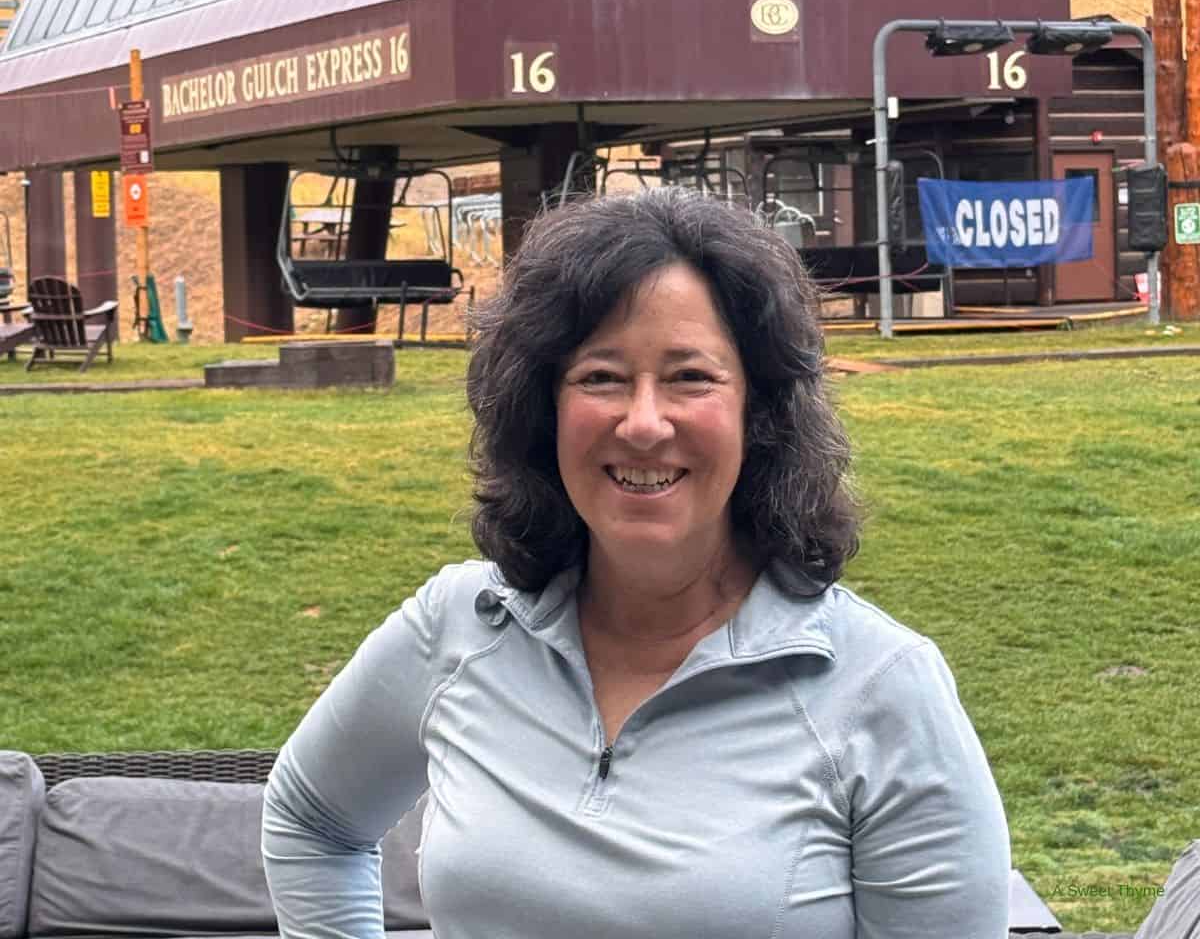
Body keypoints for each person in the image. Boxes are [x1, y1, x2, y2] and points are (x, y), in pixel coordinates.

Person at [262, 186, 1011, 938]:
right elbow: (311, 819)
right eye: (601, 377)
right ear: (541, 408)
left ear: (760, 411)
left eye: (690, 377)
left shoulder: (879, 688)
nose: (644, 422)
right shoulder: (458, 627)